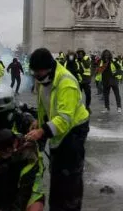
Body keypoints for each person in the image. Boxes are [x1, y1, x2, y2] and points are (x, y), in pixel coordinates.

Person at [26, 48, 90, 211]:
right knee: (57, 175)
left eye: (38, 72)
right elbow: (45, 107)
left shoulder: (66, 82)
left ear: (47, 68)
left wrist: (42, 132)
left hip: (74, 131)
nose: (36, 76)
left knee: (70, 178)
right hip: (59, 130)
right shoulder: (44, 80)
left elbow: (65, 118)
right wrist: (39, 123)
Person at [0, 129, 45, 211]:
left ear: (15, 144)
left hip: (29, 190)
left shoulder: (29, 156)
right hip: (5, 187)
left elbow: (24, 192)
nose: (1, 155)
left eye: (4, 152)